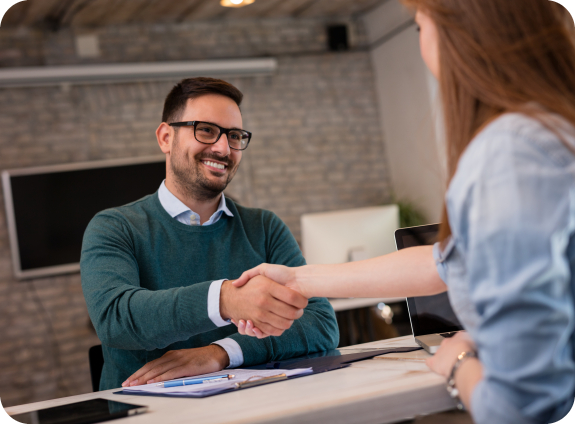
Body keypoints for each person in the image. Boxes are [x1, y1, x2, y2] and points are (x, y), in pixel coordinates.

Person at [232, 1, 575, 423]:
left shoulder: (509, 151)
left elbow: (521, 405)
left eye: (419, 29)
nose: (422, 45)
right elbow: (444, 263)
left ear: (460, 33)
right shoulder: (550, 132)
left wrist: (459, 361)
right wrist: (299, 279)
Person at [80, 77, 339, 390]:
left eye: (234, 135)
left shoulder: (264, 228)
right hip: (149, 413)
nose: (223, 148)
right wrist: (225, 299)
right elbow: (115, 319)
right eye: (205, 130)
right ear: (165, 138)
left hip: (253, 406)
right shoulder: (114, 227)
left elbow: (320, 323)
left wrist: (222, 353)